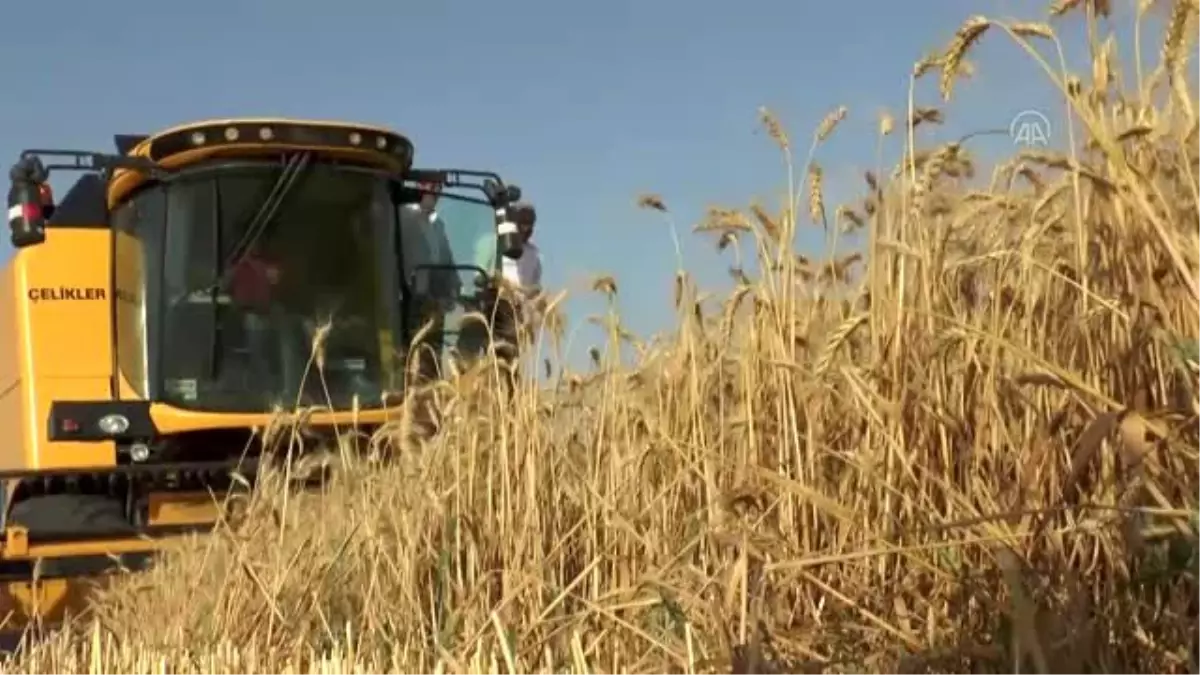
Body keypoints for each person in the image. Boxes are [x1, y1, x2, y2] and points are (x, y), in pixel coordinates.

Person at [398, 181, 459, 382]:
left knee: (430, 366)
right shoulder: (402, 214)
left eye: (439, 188)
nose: (436, 193)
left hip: (432, 303)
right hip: (405, 302)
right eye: (431, 187)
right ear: (419, 186)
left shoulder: (437, 226)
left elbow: (447, 262)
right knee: (408, 363)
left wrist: (454, 290)